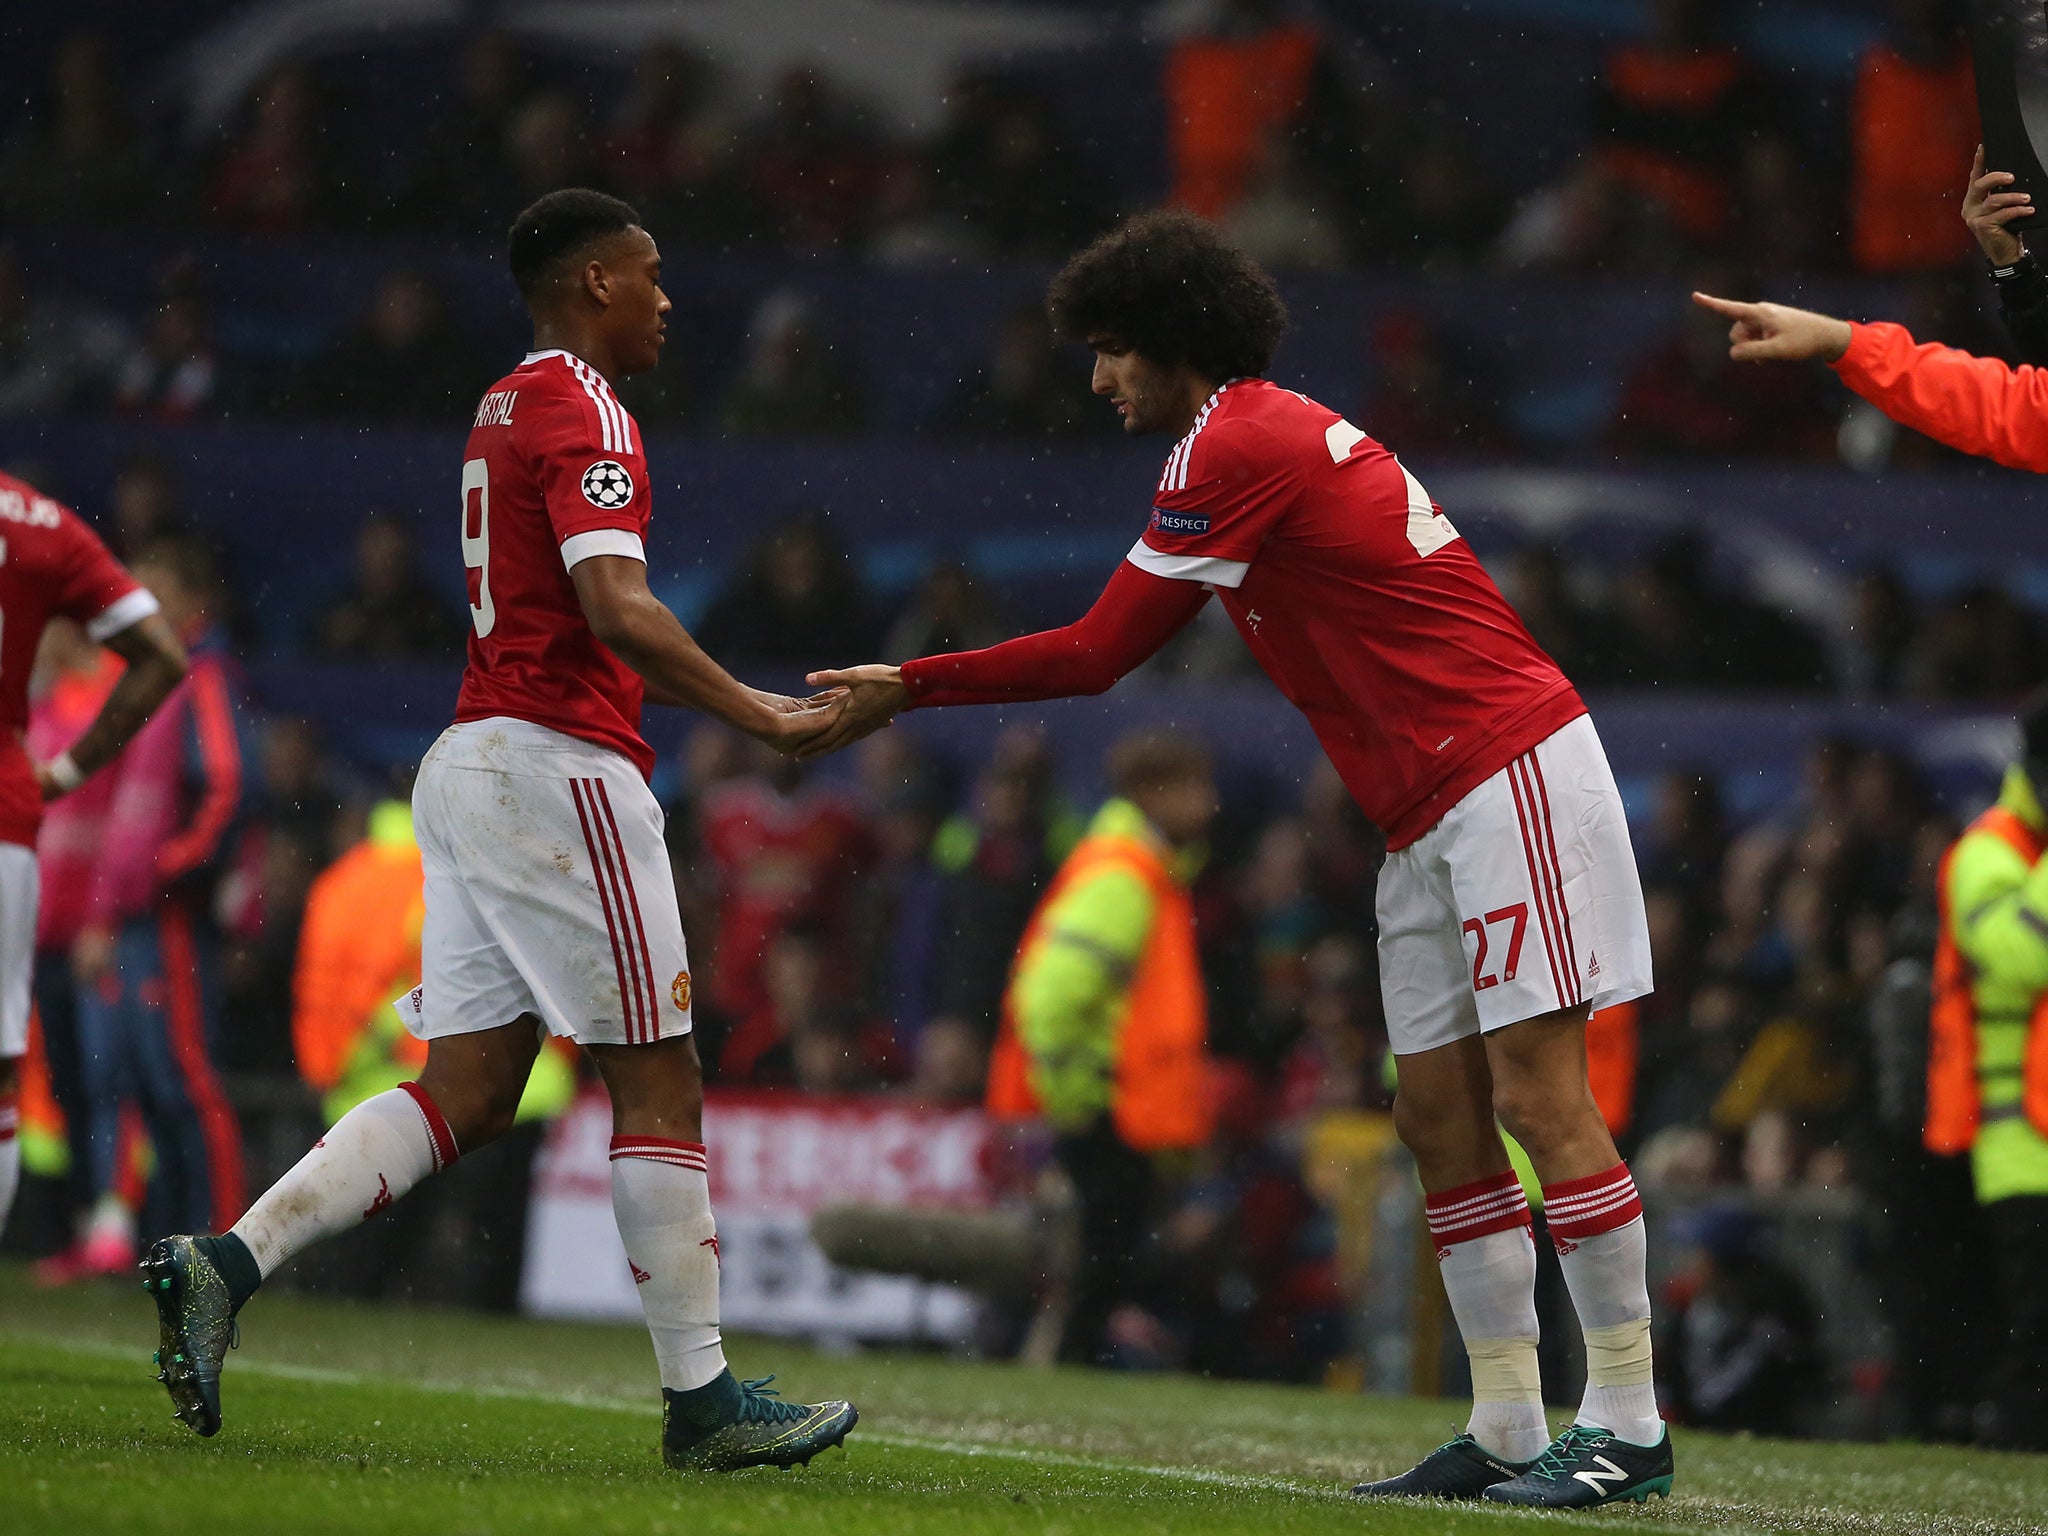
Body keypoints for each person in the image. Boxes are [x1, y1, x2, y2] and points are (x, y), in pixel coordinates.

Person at [805, 209, 1667, 1508]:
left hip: (1506, 771)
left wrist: (909, 685)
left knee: (1539, 1097)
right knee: (1435, 1115)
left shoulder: (1239, 441)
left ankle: (1628, 1422)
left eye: (1110, 351)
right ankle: (1503, 1423)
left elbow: (1100, 653)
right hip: (1426, 811)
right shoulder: (1254, 432)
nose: (1098, 380)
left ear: (1171, 342)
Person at [140, 188, 857, 1473]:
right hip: (559, 766)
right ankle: (702, 1404)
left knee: (467, 1089)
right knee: (659, 1072)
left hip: (473, 760)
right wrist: (758, 714)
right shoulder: (585, 407)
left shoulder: (500, 402)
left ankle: (227, 1261)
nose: (665, 298)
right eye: (647, 274)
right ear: (592, 285)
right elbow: (616, 604)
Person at [986, 729, 1218, 1365]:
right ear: (1153, 793)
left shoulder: (1135, 869)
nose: (1210, 803)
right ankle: (1059, 1382)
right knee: (1096, 1272)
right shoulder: (1125, 877)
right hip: (1109, 1110)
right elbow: (1050, 1000)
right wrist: (1081, 1099)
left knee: (1099, 1269)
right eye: (1196, 787)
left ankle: (1060, 1380)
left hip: (1117, 1110)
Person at [0, 471, 187, 1252]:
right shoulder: (39, 521)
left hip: (96, 922)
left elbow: (148, 818)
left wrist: (108, 911)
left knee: (117, 1080)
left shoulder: (176, 693)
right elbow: (158, 656)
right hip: (22, 865)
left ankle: (121, 1222)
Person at [53, 537, 251, 1272]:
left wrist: (166, 872)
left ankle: (229, 1242)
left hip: (167, 916)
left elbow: (230, 788)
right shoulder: (151, 679)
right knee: (147, 1082)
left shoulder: (201, 677)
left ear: (194, 604)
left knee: (186, 1080)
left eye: (155, 594)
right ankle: (177, 1243)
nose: (139, 608)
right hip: (133, 912)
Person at [1923, 693, 2048, 1449]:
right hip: (2018, 1136)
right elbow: (2025, 955)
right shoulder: (1986, 852)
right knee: (2036, 1317)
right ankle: (2017, 1445)